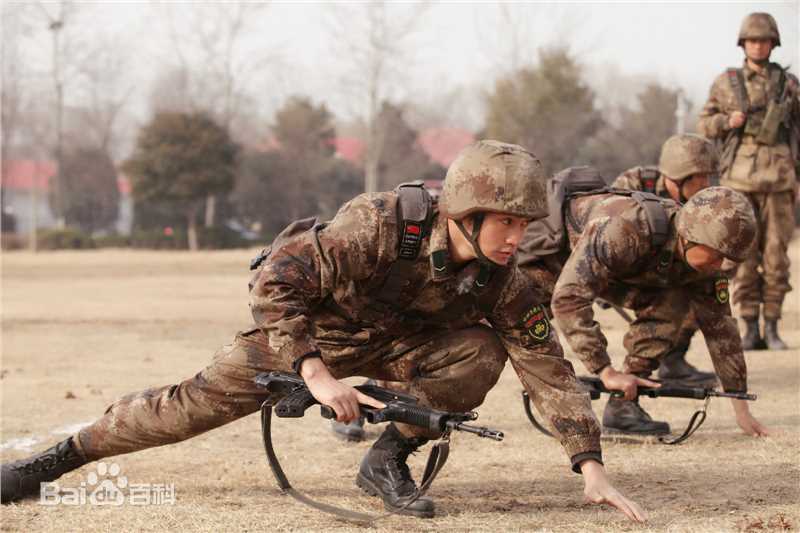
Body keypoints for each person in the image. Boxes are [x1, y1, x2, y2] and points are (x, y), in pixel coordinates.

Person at [1, 141, 646, 523]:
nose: (520, 237)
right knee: (181, 411)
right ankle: (58, 459)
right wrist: (312, 370)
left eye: (525, 222)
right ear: (467, 213)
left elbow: (547, 365)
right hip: (309, 335)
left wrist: (587, 462)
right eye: (506, 222)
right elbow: (275, 283)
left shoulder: (507, 280)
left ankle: (386, 459)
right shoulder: (382, 223)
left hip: (398, 348)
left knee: (477, 357)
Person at [549, 183, 769, 437]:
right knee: (516, 327)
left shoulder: (704, 264)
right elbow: (568, 298)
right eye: (718, 255)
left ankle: (623, 406)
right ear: (689, 235)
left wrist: (741, 407)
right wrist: (604, 370)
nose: (722, 265)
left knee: (671, 304)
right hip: (549, 257)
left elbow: (721, 329)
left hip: (606, 269)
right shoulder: (626, 227)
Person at [697, 12, 798, 350]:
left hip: (781, 180)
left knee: (776, 257)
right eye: (753, 40)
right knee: (741, 258)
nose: (758, 45)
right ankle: (750, 325)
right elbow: (705, 124)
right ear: (744, 44)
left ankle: (771, 326)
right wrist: (728, 120)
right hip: (739, 180)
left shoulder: (789, 85)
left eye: (764, 40)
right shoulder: (728, 83)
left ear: (773, 43)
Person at [611, 134, 718, 385]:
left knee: (700, 286)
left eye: (708, 175)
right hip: (629, 266)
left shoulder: (703, 199)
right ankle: (632, 377)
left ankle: (673, 359)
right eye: (700, 176)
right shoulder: (634, 183)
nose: (707, 183)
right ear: (678, 176)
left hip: (669, 267)